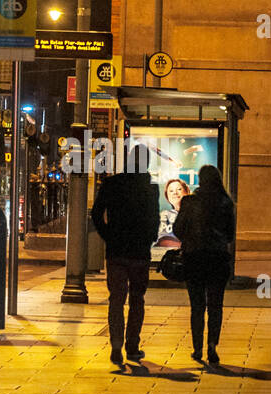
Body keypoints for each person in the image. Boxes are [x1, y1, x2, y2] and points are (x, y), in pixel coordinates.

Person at [91, 143, 160, 369]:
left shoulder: (112, 184)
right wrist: (149, 238)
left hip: (117, 251)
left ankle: (116, 344)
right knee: (137, 298)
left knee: (116, 299)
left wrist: (107, 235)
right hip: (140, 251)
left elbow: (96, 213)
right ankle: (132, 344)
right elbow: (154, 219)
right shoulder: (150, 188)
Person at [172, 164, 235, 367]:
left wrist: (191, 238)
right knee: (215, 306)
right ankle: (212, 346)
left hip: (194, 259)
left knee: (197, 306)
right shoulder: (226, 202)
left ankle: (197, 348)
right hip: (217, 259)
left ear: (200, 180)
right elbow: (230, 235)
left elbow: (178, 229)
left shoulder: (189, 202)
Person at [156, 178, 189, 246]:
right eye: (171, 191)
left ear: (186, 192)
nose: (175, 193)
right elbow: (163, 240)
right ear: (167, 196)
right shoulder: (165, 215)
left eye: (179, 189)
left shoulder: (197, 213)